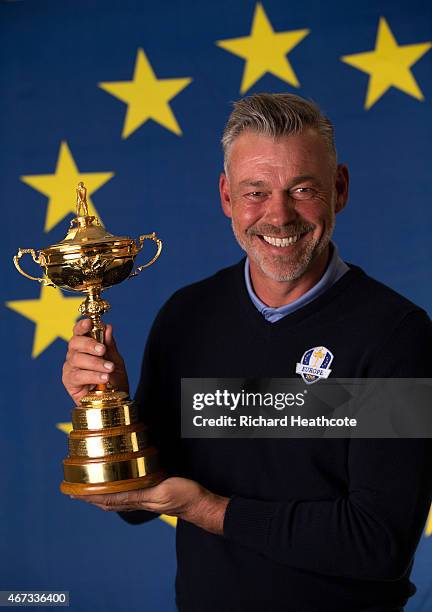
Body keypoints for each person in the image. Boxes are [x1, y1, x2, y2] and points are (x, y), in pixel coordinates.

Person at [62, 93, 432, 612]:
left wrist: (206, 509)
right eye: (255, 191)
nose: (278, 217)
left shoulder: (395, 333)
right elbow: (137, 506)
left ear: (340, 189)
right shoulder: (187, 317)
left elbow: (376, 544)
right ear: (226, 197)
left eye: (301, 189)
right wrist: (109, 405)